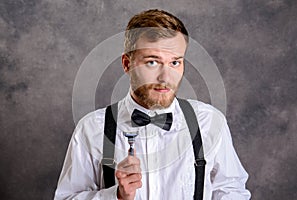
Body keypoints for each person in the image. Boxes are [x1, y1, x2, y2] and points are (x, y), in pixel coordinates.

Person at [54, 9, 251, 200]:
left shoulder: (210, 122)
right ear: (126, 64)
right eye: (152, 62)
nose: (166, 77)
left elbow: (231, 191)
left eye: (175, 63)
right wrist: (116, 196)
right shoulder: (91, 129)